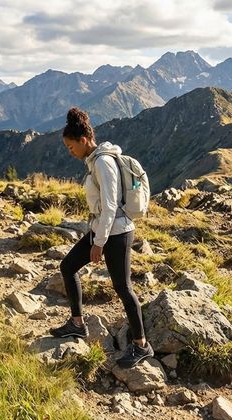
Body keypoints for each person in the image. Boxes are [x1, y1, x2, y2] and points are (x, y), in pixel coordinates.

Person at [48, 107, 154, 368]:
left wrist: (98, 243)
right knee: (68, 266)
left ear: (83, 141)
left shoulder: (104, 163)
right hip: (104, 229)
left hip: (116, 233)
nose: (70, 152)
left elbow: (110, 206)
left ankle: (141, 345)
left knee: (123, 287)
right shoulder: (96, 160)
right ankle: (77, 324)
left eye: (71, 147)